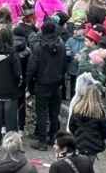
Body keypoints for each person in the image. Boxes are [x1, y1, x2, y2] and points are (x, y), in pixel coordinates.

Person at [28, 20, 67, 151]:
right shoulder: (61, 44)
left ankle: (42, 141)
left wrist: (30, 84)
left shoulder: (38, 47)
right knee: (54, 112)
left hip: (42, 83)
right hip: (56, 83)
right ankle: (53, 138)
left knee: (41, 112)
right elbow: (64, 64)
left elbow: (32, 67)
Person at [0, 28, 21, 143]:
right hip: (11, 89)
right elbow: (17, 73)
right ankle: (11, 140)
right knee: (10, 117)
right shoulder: (13, 54)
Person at [67, 77, 106, 157]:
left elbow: (71, 126)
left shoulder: (77, 108)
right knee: (88, 167)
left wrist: (77, 136)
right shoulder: (99, 111)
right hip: (94, 146)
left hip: (79, 144)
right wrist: (99, 138)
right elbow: (104, 131)